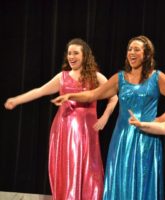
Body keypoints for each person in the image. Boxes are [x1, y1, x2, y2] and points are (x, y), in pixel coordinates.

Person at [51, 35, 165, 200]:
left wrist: (161, 119)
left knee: (143, 179)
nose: (132, 53)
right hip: (122, 137)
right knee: (120, 178)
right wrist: (71, 95)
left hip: (146, 137)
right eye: (129, 49)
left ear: (147, 54)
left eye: (136, 49)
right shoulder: (120, 78)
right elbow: (94, 94)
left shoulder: (156, 77)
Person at [4, 38, 118, 200]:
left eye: (76, 53)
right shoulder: (62, 77)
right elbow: (40, 91)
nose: (71, 56)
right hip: (64, 129)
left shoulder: (96, 77)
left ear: (85, 56)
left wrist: (105, 117)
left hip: (87, 129)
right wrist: (17, 100)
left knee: (88, 168)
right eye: (69, 53)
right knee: (68, 167)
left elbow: (114, 98)